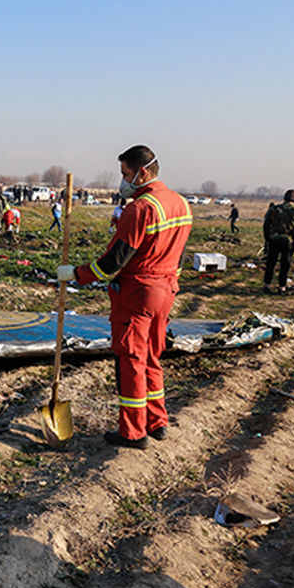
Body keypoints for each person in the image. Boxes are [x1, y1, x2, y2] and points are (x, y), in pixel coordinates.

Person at [58, 145, 192, 449]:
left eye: (125, 174)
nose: (123, 181)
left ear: (141, 173)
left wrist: (74, 274)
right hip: (166, 290)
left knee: (131, 360)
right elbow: (180, 253)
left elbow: (111, 263)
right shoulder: (180, 203)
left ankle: (133, 432)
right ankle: (157, 422)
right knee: (152, 356)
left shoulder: (140, 209)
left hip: (137, 296)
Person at [261, 189, 294, 294]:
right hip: (289, 241)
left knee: (271, 263)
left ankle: (267, 284)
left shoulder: (274, 209)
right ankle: (282, 286)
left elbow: (266, 224)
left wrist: (267, 238)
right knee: (285, 264)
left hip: (274, 240)